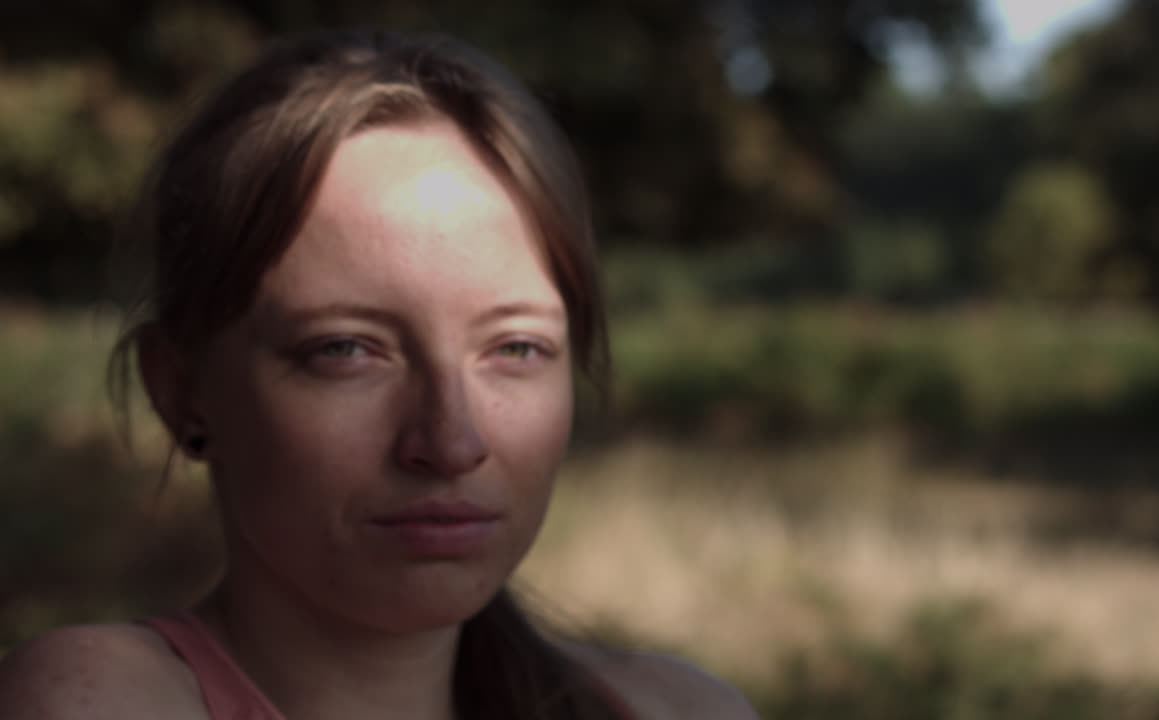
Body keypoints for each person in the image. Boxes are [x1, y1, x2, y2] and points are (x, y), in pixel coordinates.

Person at [0, 28, 758, 720]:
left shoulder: (680, 709)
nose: (451, 441)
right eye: (345, 350)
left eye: (516, 348)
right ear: (180, 390)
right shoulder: (97, 698)